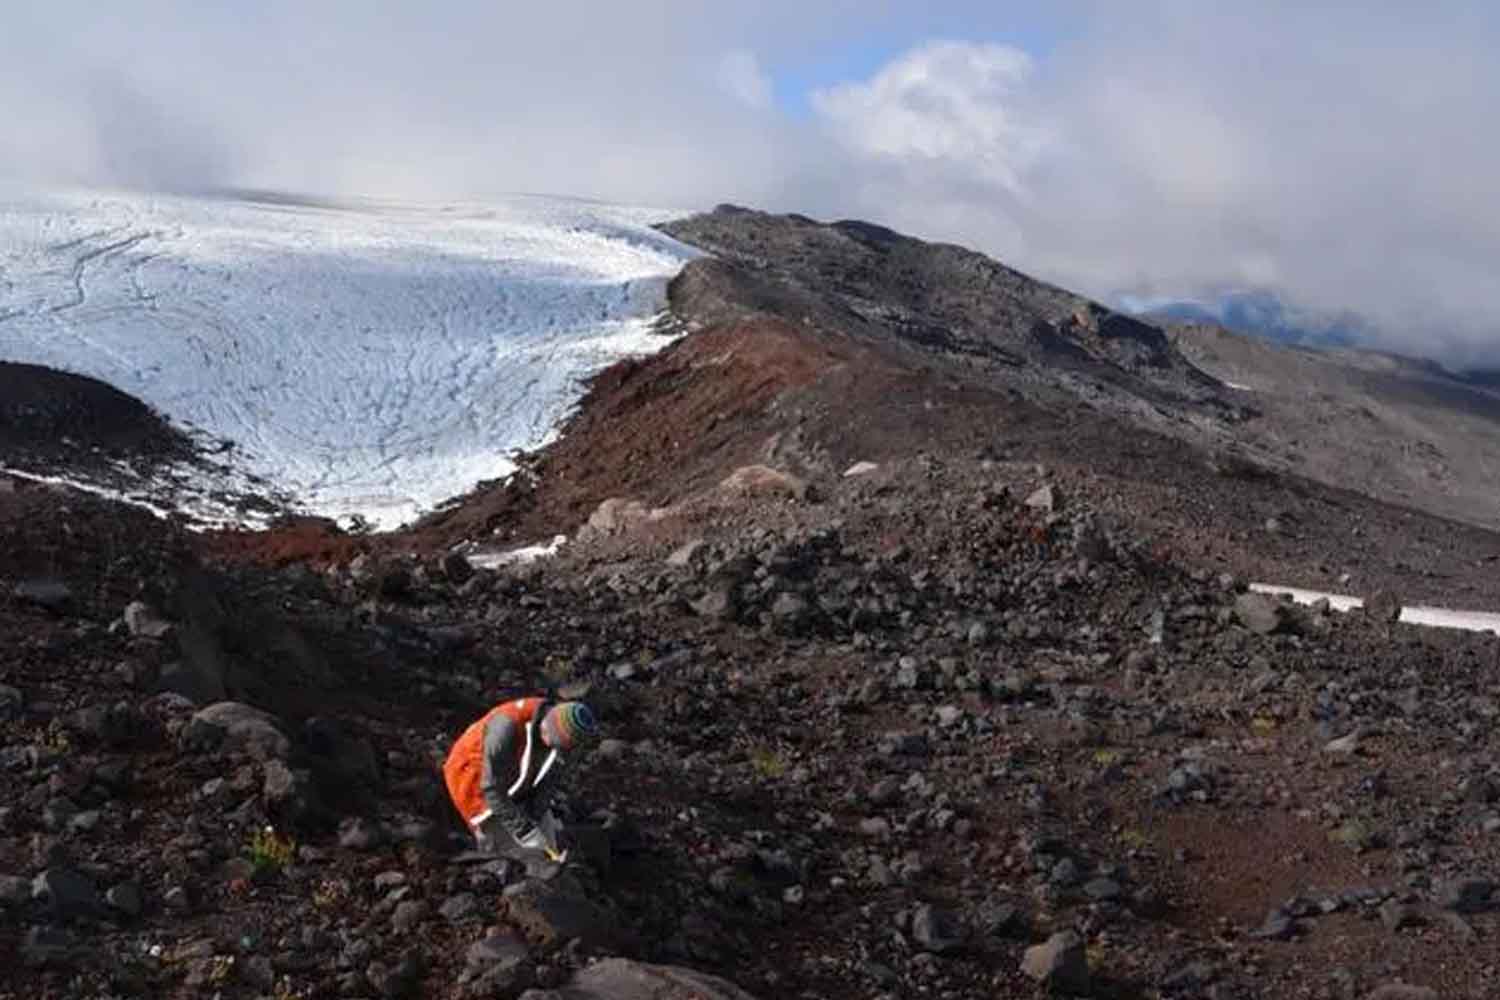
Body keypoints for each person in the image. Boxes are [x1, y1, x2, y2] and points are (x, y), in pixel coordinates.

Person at [443, 696, 597, 861]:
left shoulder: (566, 739)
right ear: (546, 722)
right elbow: (491, 788)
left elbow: (550, 778)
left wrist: (534, 817)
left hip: (515, 780)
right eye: (549, 738)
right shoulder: (506, 726)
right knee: (519, 858)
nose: (550, 745)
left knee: (549, 850)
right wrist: (524, 830)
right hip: (475, 784)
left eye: (558, 744)